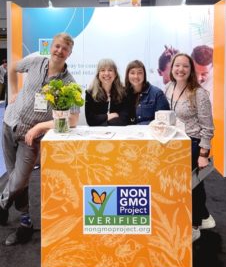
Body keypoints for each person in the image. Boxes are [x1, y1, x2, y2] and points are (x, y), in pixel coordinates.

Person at [0, 32, 80, 246]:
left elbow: (72, 120)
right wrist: (14, 92)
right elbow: (13, 68)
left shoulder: (69, 84)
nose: (59, 51)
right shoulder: (35, 62)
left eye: (64, 48)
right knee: (17, 179)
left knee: (17, 181)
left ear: (69, 53)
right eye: (57, 46)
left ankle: (1, 205)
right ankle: (25, 223)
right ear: (51, 47)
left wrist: (39, 127)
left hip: (31, 139)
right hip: (9, 124)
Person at [165, 53, 215, 242]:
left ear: (191, 70)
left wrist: (203, 153)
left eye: (185, 66)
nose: (181, 69)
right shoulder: (169, 87)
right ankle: (203, 217)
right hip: (174, 144)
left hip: (192, 143)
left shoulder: (199, 93)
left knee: (190, 187)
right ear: (172, 68)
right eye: (177, 65)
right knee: (185, 185)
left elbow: (208, 127)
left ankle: (194, 226)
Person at [85, 58, 129, 126]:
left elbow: (124, 119)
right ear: (98, 74)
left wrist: (103, 122)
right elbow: (90, 120)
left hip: (118, 133)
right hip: (96, 134)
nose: (106, 73)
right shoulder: (90, 93)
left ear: (115, 74)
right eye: (102, 70)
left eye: (110, 70)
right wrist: (109, 116)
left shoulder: (123, 92)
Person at [125, 60, 169, 125]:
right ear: (127, 75)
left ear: (144, 75)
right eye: (132, 73)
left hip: (151, 133)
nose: (136, 76)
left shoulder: (157, 93)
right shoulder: (124, 94)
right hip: (128, 133)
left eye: (139, 73)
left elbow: (163, 121)